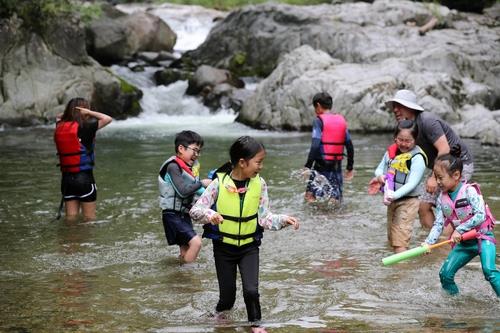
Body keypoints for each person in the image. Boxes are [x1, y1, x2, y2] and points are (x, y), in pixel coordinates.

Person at [189, 136, 299, 333]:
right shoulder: (217, 184)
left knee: (251, 290)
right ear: (242, 162)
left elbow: (264, 218)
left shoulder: (260, 184)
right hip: (224, 248)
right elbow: (195, 212)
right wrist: (210, 214)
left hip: (249, 247)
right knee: (227, 297)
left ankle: (256, 325)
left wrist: (283, 220)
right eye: (258, 162)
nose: (261, 166)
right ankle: (220, 317)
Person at [386, 89, 474, 229]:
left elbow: (444, 149)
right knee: (423, 206)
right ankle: (432, 243)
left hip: (459, 164)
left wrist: (433, 178)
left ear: (411, 108)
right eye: (394, 107)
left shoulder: (427, 121)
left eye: (400, 106)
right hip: (439, 167)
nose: (395, 110)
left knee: (451, 206)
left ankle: (459, 239)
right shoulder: (407, 128)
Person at [422, 148, 499, 296]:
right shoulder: (441, 198)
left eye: (440, 177)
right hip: (464, 244)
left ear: (456, 175)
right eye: (435, 177)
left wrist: (460, 229)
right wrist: (429, 243)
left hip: (483, 239)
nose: (437, 182)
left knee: (489, 271)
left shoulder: (470, 191)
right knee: (445, 274)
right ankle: (455, 303)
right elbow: (438, 224)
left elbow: (481, 215)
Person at [368, 120, 428, 253]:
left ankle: (402, 270)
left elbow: (412, 183)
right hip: (392, 200)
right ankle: (395, 269)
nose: (404, 144)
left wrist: (393, 195)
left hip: (408, 201)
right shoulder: (391, 152)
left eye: (408, 140)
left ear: (415, 140)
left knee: (399, 240)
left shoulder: (417, 158)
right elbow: (379, 169)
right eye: (400, 139)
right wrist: (380, 177)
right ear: (395, 138)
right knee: (391, 237)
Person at [54, 97, 112, 221]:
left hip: (67, 181)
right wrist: (89, 113)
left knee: (71, 219)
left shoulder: (60, 126)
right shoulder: (87, 127)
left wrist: (72, 111)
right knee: (89, 219)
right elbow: (107, 119)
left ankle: (71, 240)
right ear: (84, 111)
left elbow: (58, 116)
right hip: (84, 180)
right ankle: (86, 241)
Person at [158, 130, 211, 264]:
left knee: (186, 249)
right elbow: (182, 191)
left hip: (183, 214)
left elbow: (197, 190)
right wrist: (202, 183)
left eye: (199, 151)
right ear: (181, 148)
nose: (196, 155)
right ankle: (184, 274)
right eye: (194, 150)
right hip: (172, 215)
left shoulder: (189, 169)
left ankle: (180, 280)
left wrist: (213, 190)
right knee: (196, 243)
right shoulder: (173, 167)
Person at [304, 92, 354, 204]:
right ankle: (335, 219)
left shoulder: (318, 121)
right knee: (335, 198)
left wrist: (307, 166)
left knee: (310, 197)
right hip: (337, 165)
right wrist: (350, 167)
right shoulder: (341, 121)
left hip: (321, 165)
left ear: (318, 105)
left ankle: (317, 220)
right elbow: (349, 145)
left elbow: (315, 144)